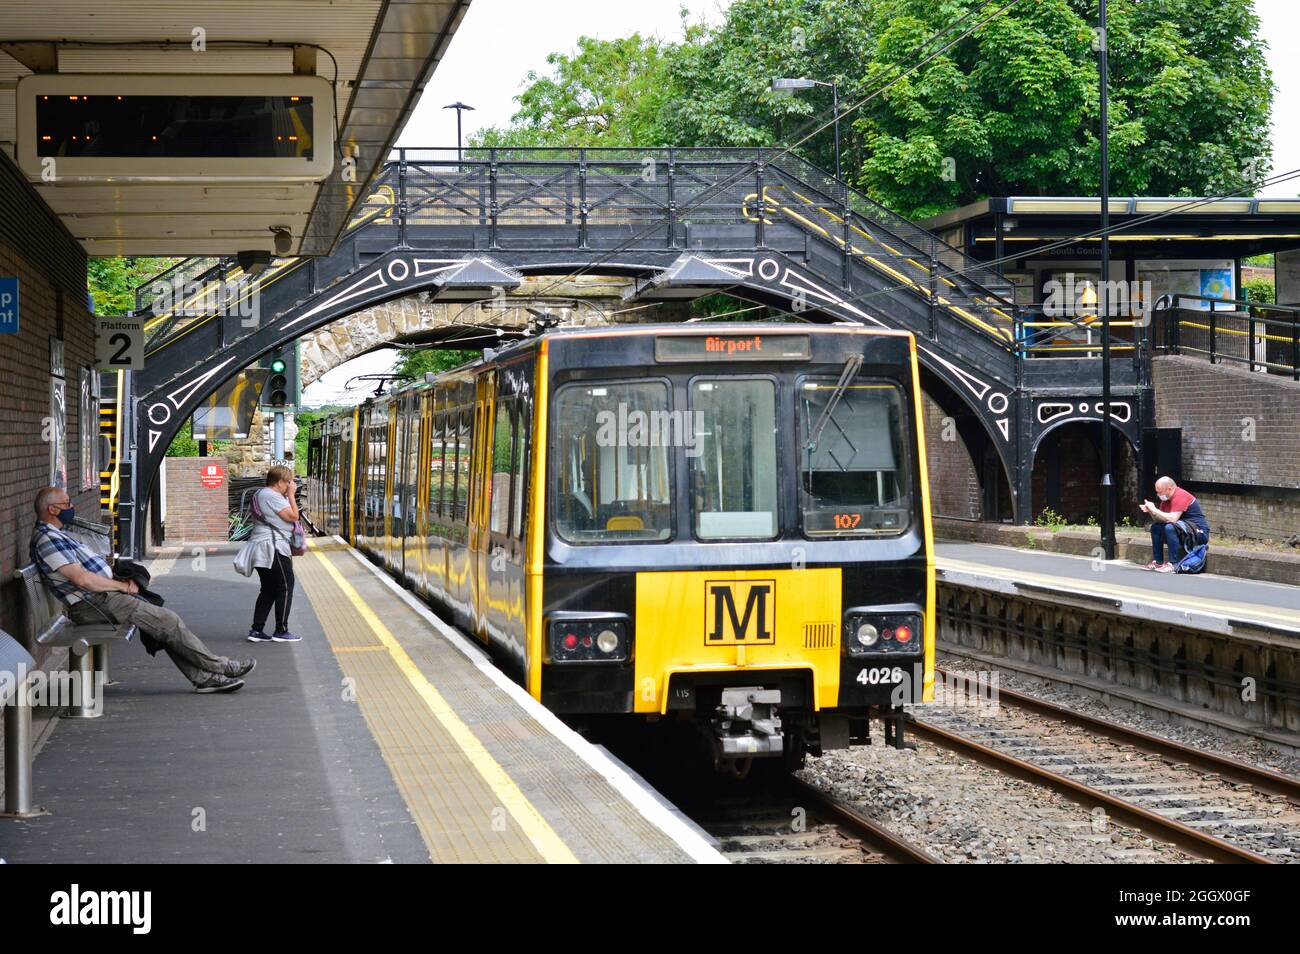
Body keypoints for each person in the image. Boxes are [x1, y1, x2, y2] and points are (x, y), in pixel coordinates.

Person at [30, 487, 256, 693]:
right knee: (168, 621)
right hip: (92, 604)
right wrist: (122, 587)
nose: (71, 507)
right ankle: (222, 667)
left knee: (163, 623)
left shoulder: (56, 534)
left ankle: (206, 678)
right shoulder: (48, 539)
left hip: (99, 600)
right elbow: (82, 580)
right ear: (53, 509)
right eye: (67, 503)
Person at [245, 464, 302, 643]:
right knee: (285, 587)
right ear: (280, 482)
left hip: (262, 545)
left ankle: (256, 630)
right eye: (289, 482)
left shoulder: (261, 494)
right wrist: (291, 495)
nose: (291, 485)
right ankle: (281, 630)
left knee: (268, 589)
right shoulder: (272, 496)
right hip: (273, 547)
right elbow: (293, 516)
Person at [1139, 476, 1210, 573]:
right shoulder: (1166, 499)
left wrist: (1155, 509)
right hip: (1182, 529)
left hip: (1199, 533)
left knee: (1170, 527)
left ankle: (1173, 564)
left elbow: (1173, 518)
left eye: (1159, 492)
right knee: (1155, 527)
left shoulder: (1180, 496)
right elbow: (1160, 520)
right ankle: (1158, 562)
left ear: (1169, 489)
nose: (1158, 494)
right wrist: (1151, 511)